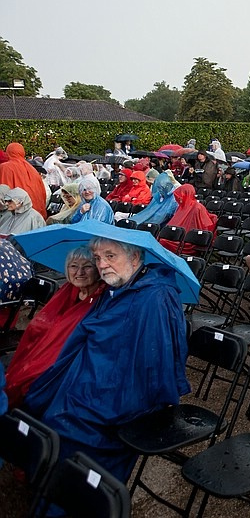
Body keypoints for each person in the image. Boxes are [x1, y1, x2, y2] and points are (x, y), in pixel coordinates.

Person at [24, 236, 190, 483]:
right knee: (42, 400)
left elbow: (154, 364)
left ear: (135, 258)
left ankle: (77, 494)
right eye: (99, 258)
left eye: (111, 256)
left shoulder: (156, 297)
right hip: (92, 374)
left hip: (125, 391)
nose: (102, 265)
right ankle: (53, 483)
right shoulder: (116, 288)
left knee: (68, 423)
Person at [5, 247, 106, 409]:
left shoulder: (102, 299)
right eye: (73, 266)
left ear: (98, 270)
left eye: (87, 266)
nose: (79, 272)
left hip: (69, 357)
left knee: (34, 381)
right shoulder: (68, 289)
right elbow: (45, 322)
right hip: (46, 346)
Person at [160, 184, 217, 255]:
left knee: (163, 242)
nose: (179, 199)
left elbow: (199, 226)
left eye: (181, 196)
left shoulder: (197, 208)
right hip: (178, 235)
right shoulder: (181, 207)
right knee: (161, 239)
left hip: (188, 239)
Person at [0, 142, 47, 218]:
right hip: (36, 214)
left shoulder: (5, 167)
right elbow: (42, 193)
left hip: (16, 214)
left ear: (8, 152)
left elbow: (3, 193)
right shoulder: (32, 169)